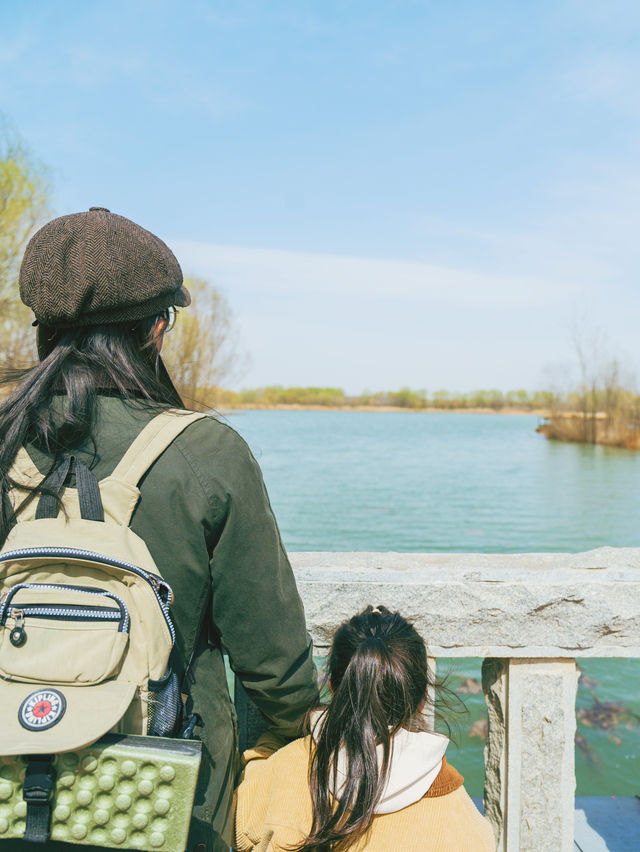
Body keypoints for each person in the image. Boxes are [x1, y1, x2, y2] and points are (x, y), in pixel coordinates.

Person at [0, 207, 319, 852]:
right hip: (169, 798)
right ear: (154, 328)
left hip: (14, 786)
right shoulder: (207, 453)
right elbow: (275, 668)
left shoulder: (7, 443)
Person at [234, 605, 495, 852]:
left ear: (332, 689)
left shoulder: (288, 768)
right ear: (424, 696)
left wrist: (268, 746)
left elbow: (241, 824)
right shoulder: (466, 823)